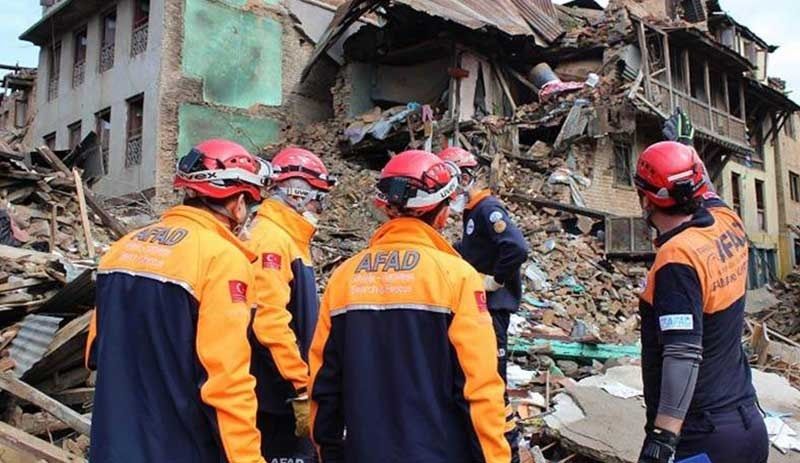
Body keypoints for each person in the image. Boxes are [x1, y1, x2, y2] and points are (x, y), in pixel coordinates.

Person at [308, 150, 511, 463]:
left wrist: (329, 454)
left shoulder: (344, 279)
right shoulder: (457, 278)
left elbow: (324, 386)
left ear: (387, 209)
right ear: (441, 214)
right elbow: (479, 390)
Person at [86, 139, 270, 463]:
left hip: (112, 447)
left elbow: (94, 352)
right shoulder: (222, 260)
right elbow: (226, 383)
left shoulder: (122, 249)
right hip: (179, 448)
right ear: (239, 204)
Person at [635, 141, 768, 463]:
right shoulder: (727, 221)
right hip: (748, 426)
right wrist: (685, 150)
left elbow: (683, 353)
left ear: (645, 199)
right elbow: (706, 189)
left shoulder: (677, 258)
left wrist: (662, 438)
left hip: (702, 439)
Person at [243, 147, 335, 462]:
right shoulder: (271, 239)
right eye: (318, 198)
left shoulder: (288, 238)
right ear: (297, 194)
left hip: (278, 389)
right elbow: (268, 321)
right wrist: (299, 385)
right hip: (275, 395)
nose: (319, 208)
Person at [439, 146, 529, 460]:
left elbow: (516, 247)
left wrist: (496, 280)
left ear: (463, 178)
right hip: (482, 307)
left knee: (493, 378)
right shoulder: (473, 211)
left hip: (494, 306)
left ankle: (507, 446)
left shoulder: (487, 209)